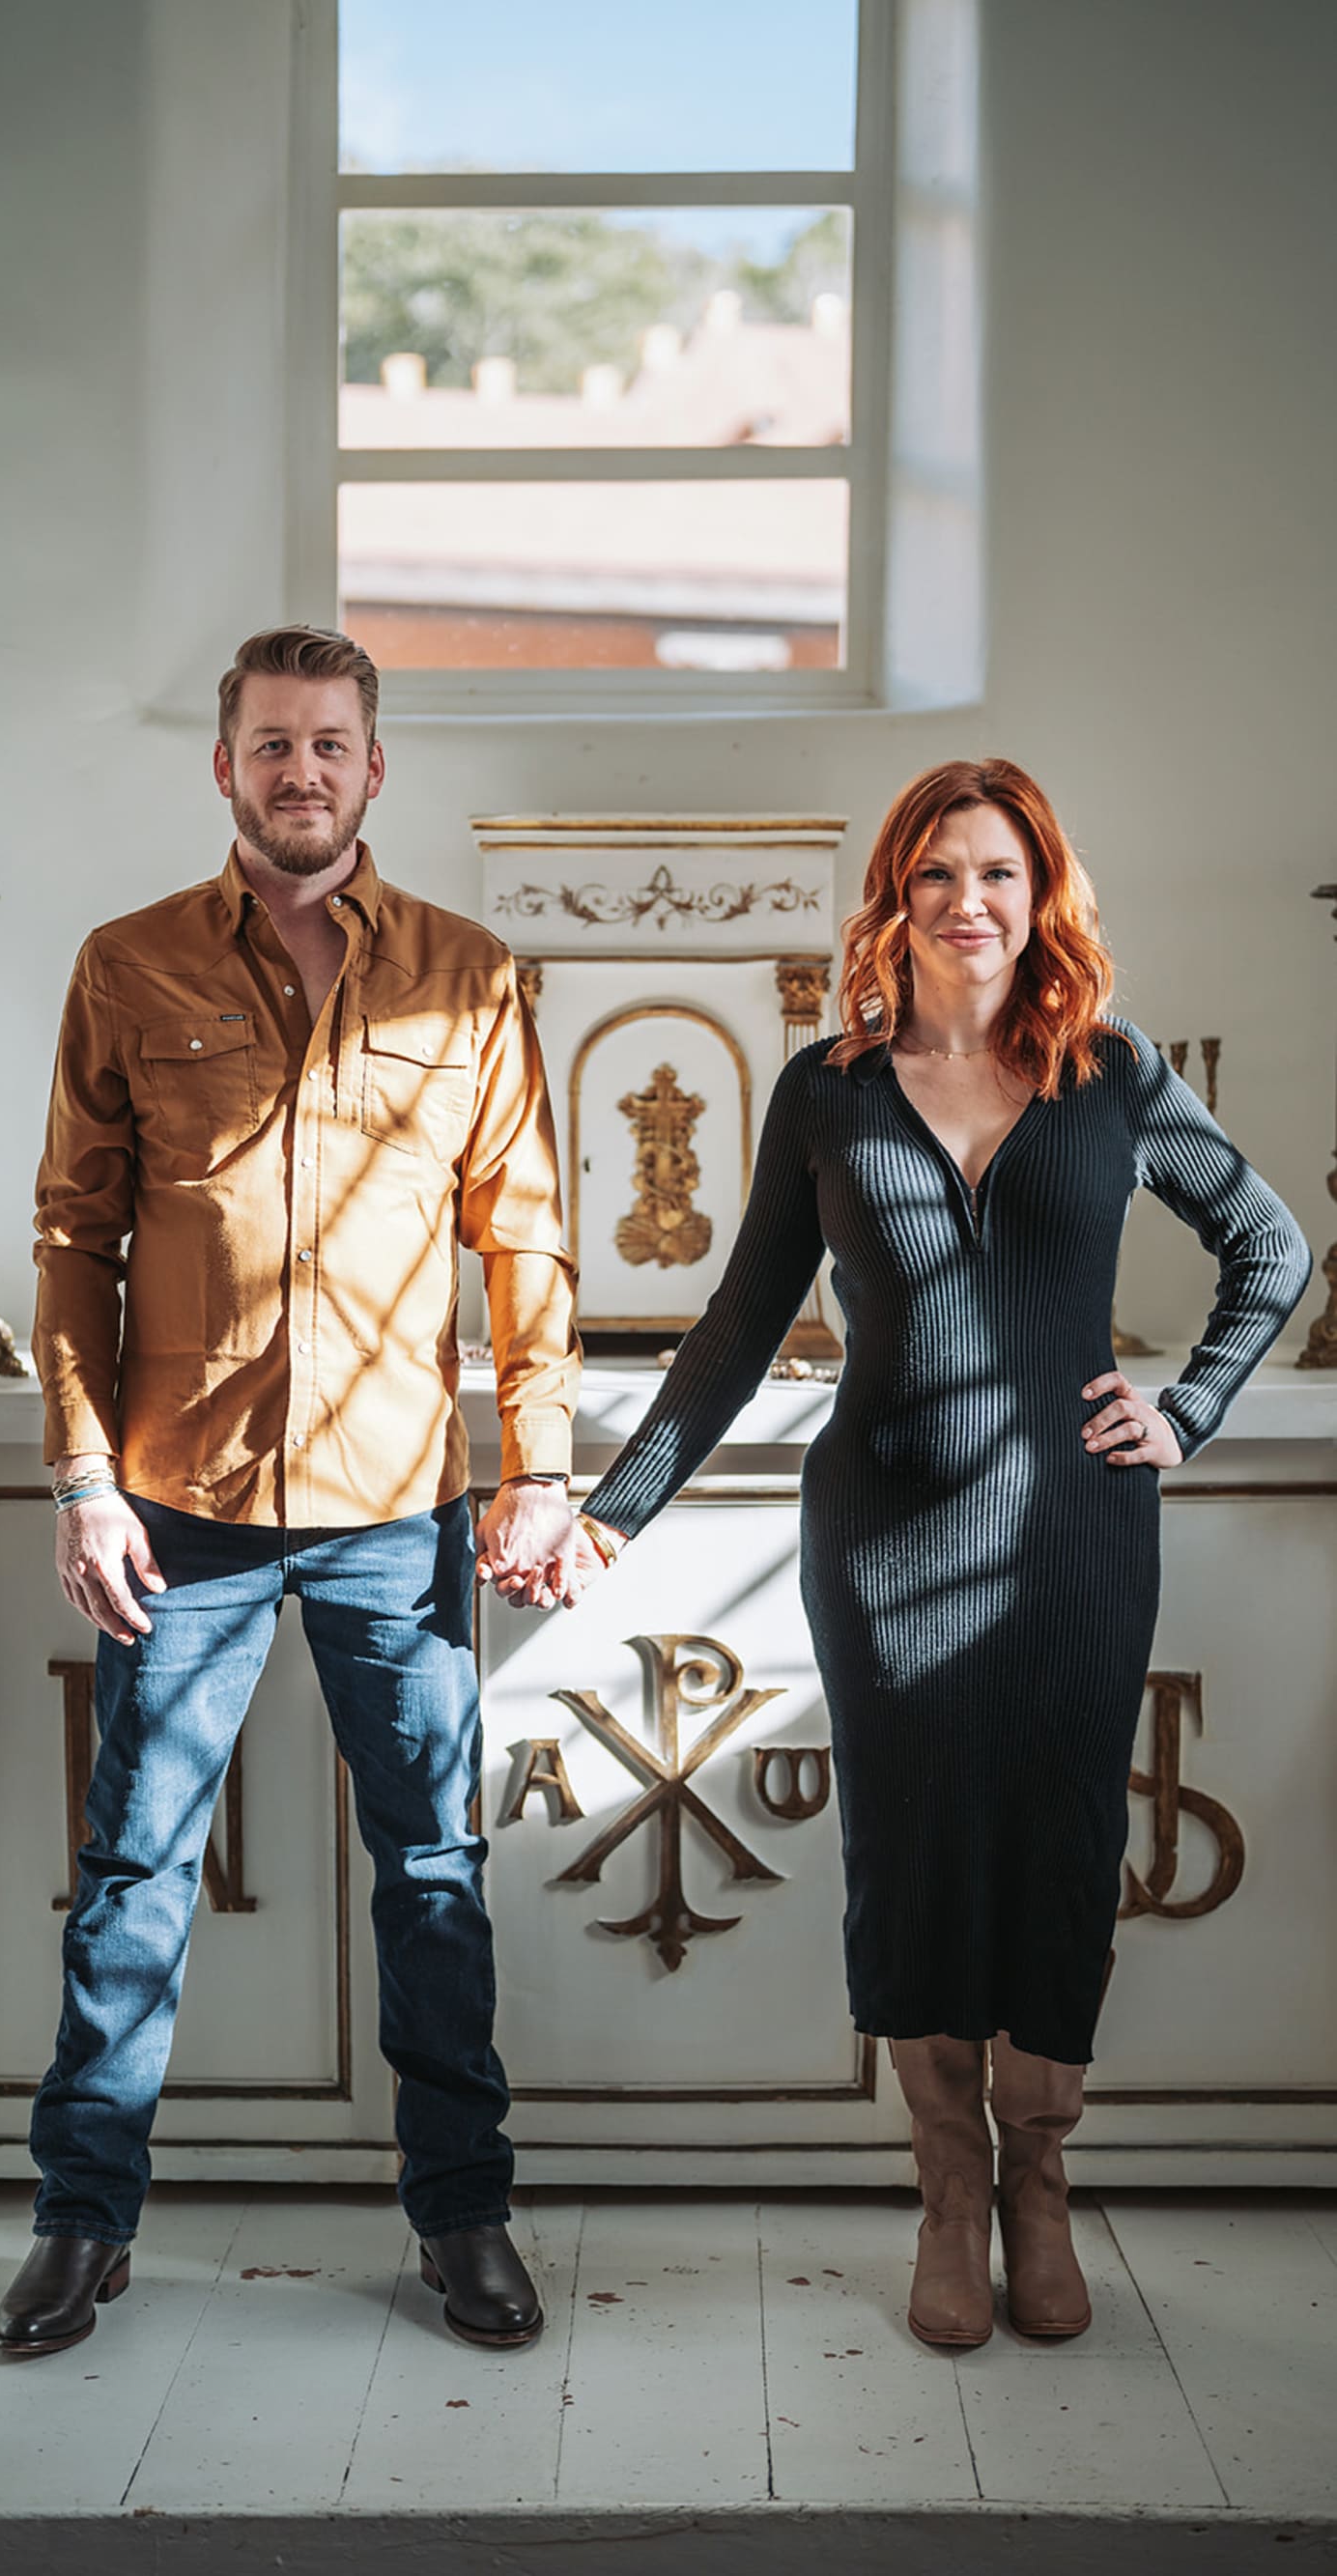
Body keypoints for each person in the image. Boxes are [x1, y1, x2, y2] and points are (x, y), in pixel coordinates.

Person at [543, 757, 1310, 2350]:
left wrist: (1191, 1411)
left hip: (1079, 1542)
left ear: (1045, 901)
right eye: (940, 872)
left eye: (1000, 874)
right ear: (897, 897)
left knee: (1056, 1857)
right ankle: (948, 2190)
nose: (971, 901)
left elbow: (1271, 1244)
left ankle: (1041, 2180)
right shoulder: (827, 1088)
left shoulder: (1111, 1074)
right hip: (884, 1537)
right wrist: (612, 1510)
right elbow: (740, 1328)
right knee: (915, 1858)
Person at [0, 624, 583, 2360]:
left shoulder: (474, 978)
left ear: (376, 767)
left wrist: (540, 1467)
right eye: (271, 745)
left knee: (433, 1876)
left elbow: (524, 1241)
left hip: (400, 1514)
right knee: (134, 1881)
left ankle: (463, 2218)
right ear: (228, 766)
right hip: (176, 1513)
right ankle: (78, 2226)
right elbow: (71, 1238)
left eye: (331, 744)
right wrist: (85, 1478)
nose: (301, 772)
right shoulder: (128, 965)